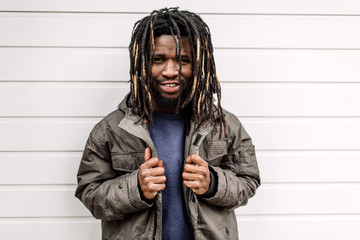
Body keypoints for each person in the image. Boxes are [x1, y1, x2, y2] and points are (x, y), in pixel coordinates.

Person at [75, 7, 260, 240]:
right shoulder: (111, 129)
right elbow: (89, 193)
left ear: (199, 65)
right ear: (142, 64)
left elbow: (249, 181)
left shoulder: (224, 125)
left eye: (183, 60)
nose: (170, 71)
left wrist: (213, 183)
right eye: (158, 60)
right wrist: (136, 189)